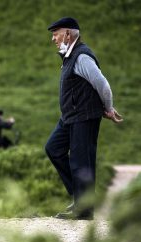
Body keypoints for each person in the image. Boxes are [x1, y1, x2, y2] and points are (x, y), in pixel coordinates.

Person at [45, 17, 123, 220]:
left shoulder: (82, 57)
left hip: (85, 117)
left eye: (56, 34)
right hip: (70, 117)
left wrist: (108, 108)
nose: (53, 38)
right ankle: (81, 198)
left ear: (68, 34)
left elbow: (102, 84)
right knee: (53, 148)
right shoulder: (69, 56)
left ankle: (85, 211)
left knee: (81, 162)